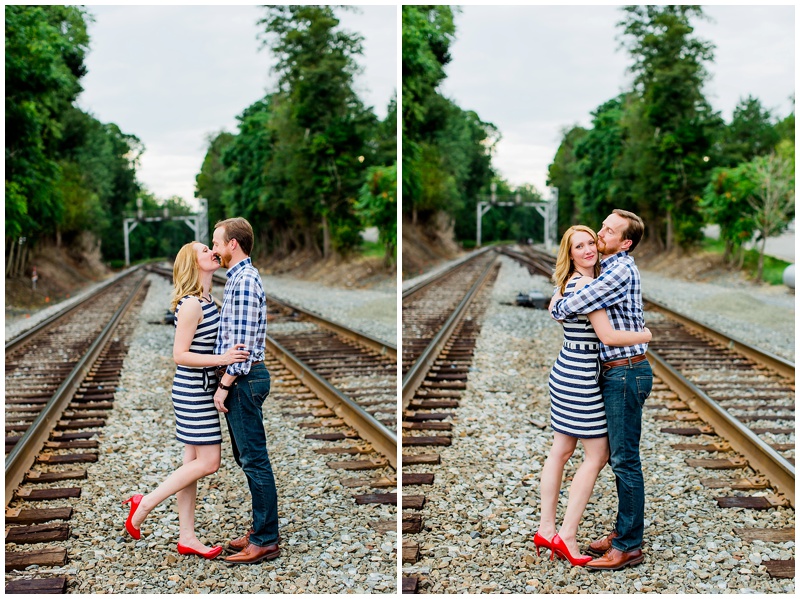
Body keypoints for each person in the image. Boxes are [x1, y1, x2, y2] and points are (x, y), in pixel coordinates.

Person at [122, 242, 250, 559]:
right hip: (192, 390)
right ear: (194, 264)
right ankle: (145, 503)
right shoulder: (192, 304)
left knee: (190, 465)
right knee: (209, 462)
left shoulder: (208, 300)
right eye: (204, 250)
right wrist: (222, 357)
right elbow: (179, 355)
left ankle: (187, 537)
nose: (212, 252)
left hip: (202, 388)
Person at [534, 225, 651, 567]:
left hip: (566, 368)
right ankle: (566, 536)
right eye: (579, 246)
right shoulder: (587, 285)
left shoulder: (567, 285)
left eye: (590, 243)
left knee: (561, 449)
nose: (588, 250)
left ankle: (546, 528)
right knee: (597, 454)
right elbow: (608, 336)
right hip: (582, 375)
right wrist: (645, 334)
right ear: (569, 254)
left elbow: (556, 308)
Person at [211, 217, 280, 565]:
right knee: (247, 458)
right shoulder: (238, 279)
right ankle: (259, 531)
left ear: (233, 244)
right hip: (244, 379)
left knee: (254, 459)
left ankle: (266, 539)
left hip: (244, 379)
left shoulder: (244, 281)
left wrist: (224, 385)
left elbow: (242, 345)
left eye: (217, 243)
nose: (214, 249)